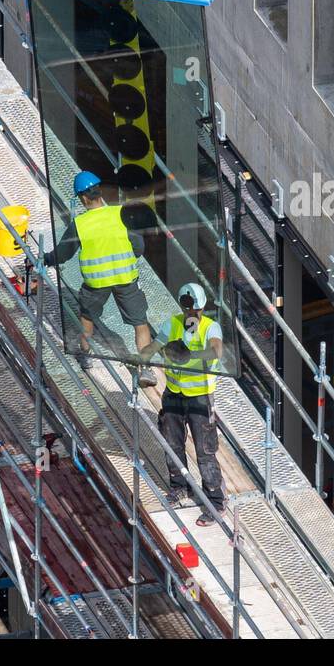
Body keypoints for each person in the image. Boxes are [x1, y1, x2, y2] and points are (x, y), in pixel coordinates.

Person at [44, 169, 156, 383]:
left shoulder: (80, 224)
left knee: (87, 317)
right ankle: (146, 369)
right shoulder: (121, 214)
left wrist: (46, 259)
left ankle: (86, 357)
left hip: (96, 284)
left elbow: (63, 254)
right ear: (100, 193)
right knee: (140, 323)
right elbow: (139, 247)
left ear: (83, 198)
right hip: (126, 280)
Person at [140, 282, 226, 525]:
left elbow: (217, 351)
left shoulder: (211, 327)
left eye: (196, 311)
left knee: (205, 451)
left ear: (202, 309)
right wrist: (140, 358)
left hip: (200, 398)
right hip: (174, 395)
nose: (192, 315)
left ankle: (216, 501)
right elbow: (155, 346)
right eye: (189, 310)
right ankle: (180, 487)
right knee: (172, 444)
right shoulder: (174, 324)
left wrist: (190, 356)